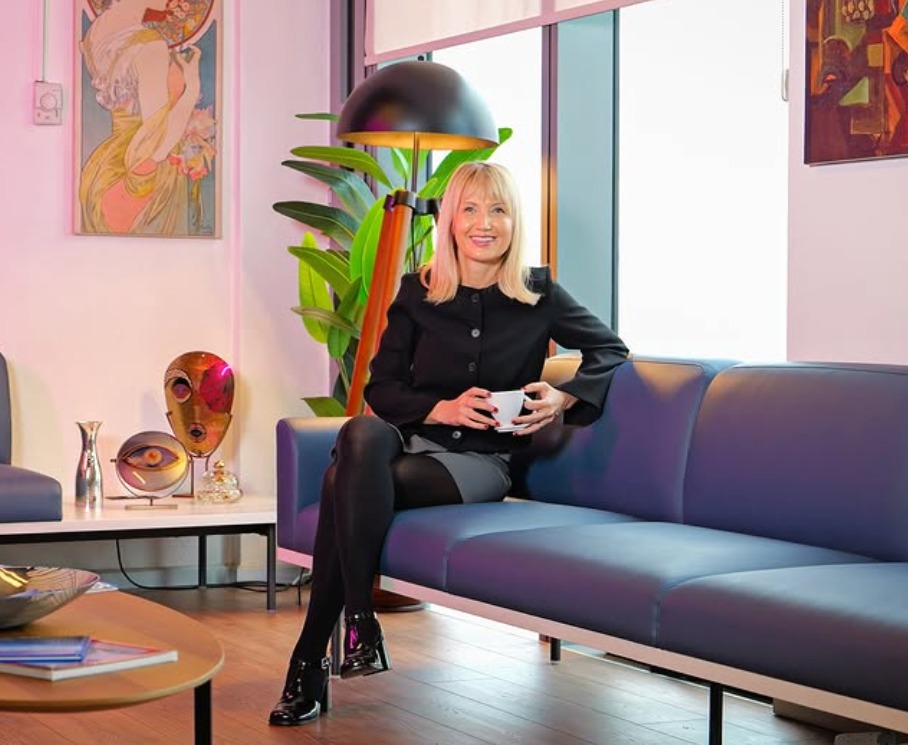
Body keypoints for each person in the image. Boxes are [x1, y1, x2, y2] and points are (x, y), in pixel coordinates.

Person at [268, 161, 630, 726]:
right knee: (360, 431)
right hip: (412, 440)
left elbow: (610, 350)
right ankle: (360, 620)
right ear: (451, 222)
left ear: (514, 221)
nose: (485, 223)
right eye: (470, 210)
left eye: (498, 210)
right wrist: (441, 407)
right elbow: (382, 388)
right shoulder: (419, 292)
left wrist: (563, 398)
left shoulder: (540, 293)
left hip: (478, 462)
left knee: (342, 481)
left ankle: (311, 661)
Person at [78, 0, 204, 234]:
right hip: (138, 179)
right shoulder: (150, 47)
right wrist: (191, 90)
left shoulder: (99, 34)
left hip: (106, 170)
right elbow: (154, 149)